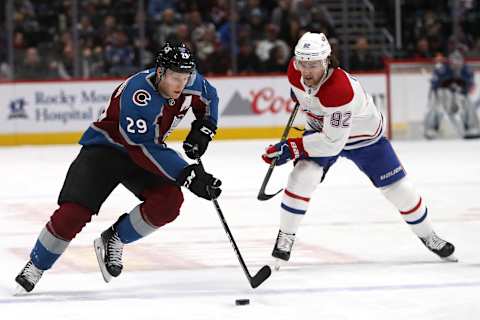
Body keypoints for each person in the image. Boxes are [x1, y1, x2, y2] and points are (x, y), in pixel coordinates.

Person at [15, 41, 222, 293]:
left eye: (185, 77)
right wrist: (187, 174)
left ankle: (115, 237)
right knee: (74, 212)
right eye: (175, 78)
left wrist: (205, 127)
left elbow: (209, 96)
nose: (181, 84)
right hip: (106, 149)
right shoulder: (139, 95)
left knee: (168, 202)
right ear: (160, 72)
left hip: (145, 153)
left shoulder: (190, 80)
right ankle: (37, 264)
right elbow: (142, 146)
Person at [261, 32, 457, 269]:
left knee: (401, 192)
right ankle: (286, 236)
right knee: (302, 176)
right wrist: (301, 99)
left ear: (326, 61)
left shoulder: (339, 90)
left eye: (313, 64)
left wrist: (292, 147)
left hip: (364, 139)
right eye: (303, 63)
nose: (306, 70)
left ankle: (428, 236)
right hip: (323, 130)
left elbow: (332, 142)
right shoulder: (295, 71)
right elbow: (304, 97)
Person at [425, 50, 480, 139]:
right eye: (454, 61)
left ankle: (472, 127)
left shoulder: (467, 70)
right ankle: (431, 128)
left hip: (460, 96)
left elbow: (469, 87)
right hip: (443, 96)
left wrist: (460, 89)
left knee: (468, 103)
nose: (456, 64)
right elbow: (434, 87)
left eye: (459, 61)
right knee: (436, 105)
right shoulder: (441, 70)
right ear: (450, 61)